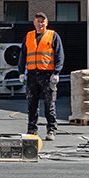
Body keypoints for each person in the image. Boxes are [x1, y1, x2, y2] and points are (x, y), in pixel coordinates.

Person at [18, 12, 64, 140]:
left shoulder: (53, 36)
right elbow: (23, 55)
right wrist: (21, 72)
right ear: (34, 23)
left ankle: (51, 130)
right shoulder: (28, 36)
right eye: (38, 21)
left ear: (46, 22)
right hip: (32, 75)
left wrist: (56, 73)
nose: (40, 23)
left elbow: (60, 55)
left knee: (50, 104)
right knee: (32, 104)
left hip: (47, 75)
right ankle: (32, 130)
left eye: (43, 21)